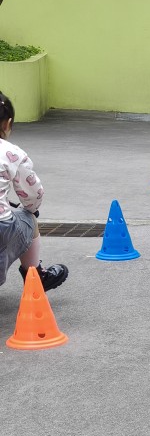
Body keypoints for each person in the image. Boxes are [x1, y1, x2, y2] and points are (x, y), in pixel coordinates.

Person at [0, 92, 68, 292]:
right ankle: (36, 276)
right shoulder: (11, 153)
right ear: (7, 123)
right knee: (28, 218)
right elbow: (33, 194)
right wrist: (31, 209)